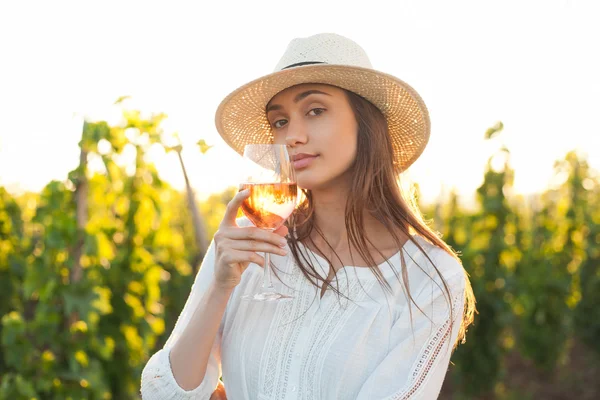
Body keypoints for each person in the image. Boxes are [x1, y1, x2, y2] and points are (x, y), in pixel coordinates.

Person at [141, 33, 476, 400]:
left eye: (315, 110)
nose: (291, 136)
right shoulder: (246, 243)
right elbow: (165, 394)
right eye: (280, 122)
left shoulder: (429, 276)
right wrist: (220, 286)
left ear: (366, 123)